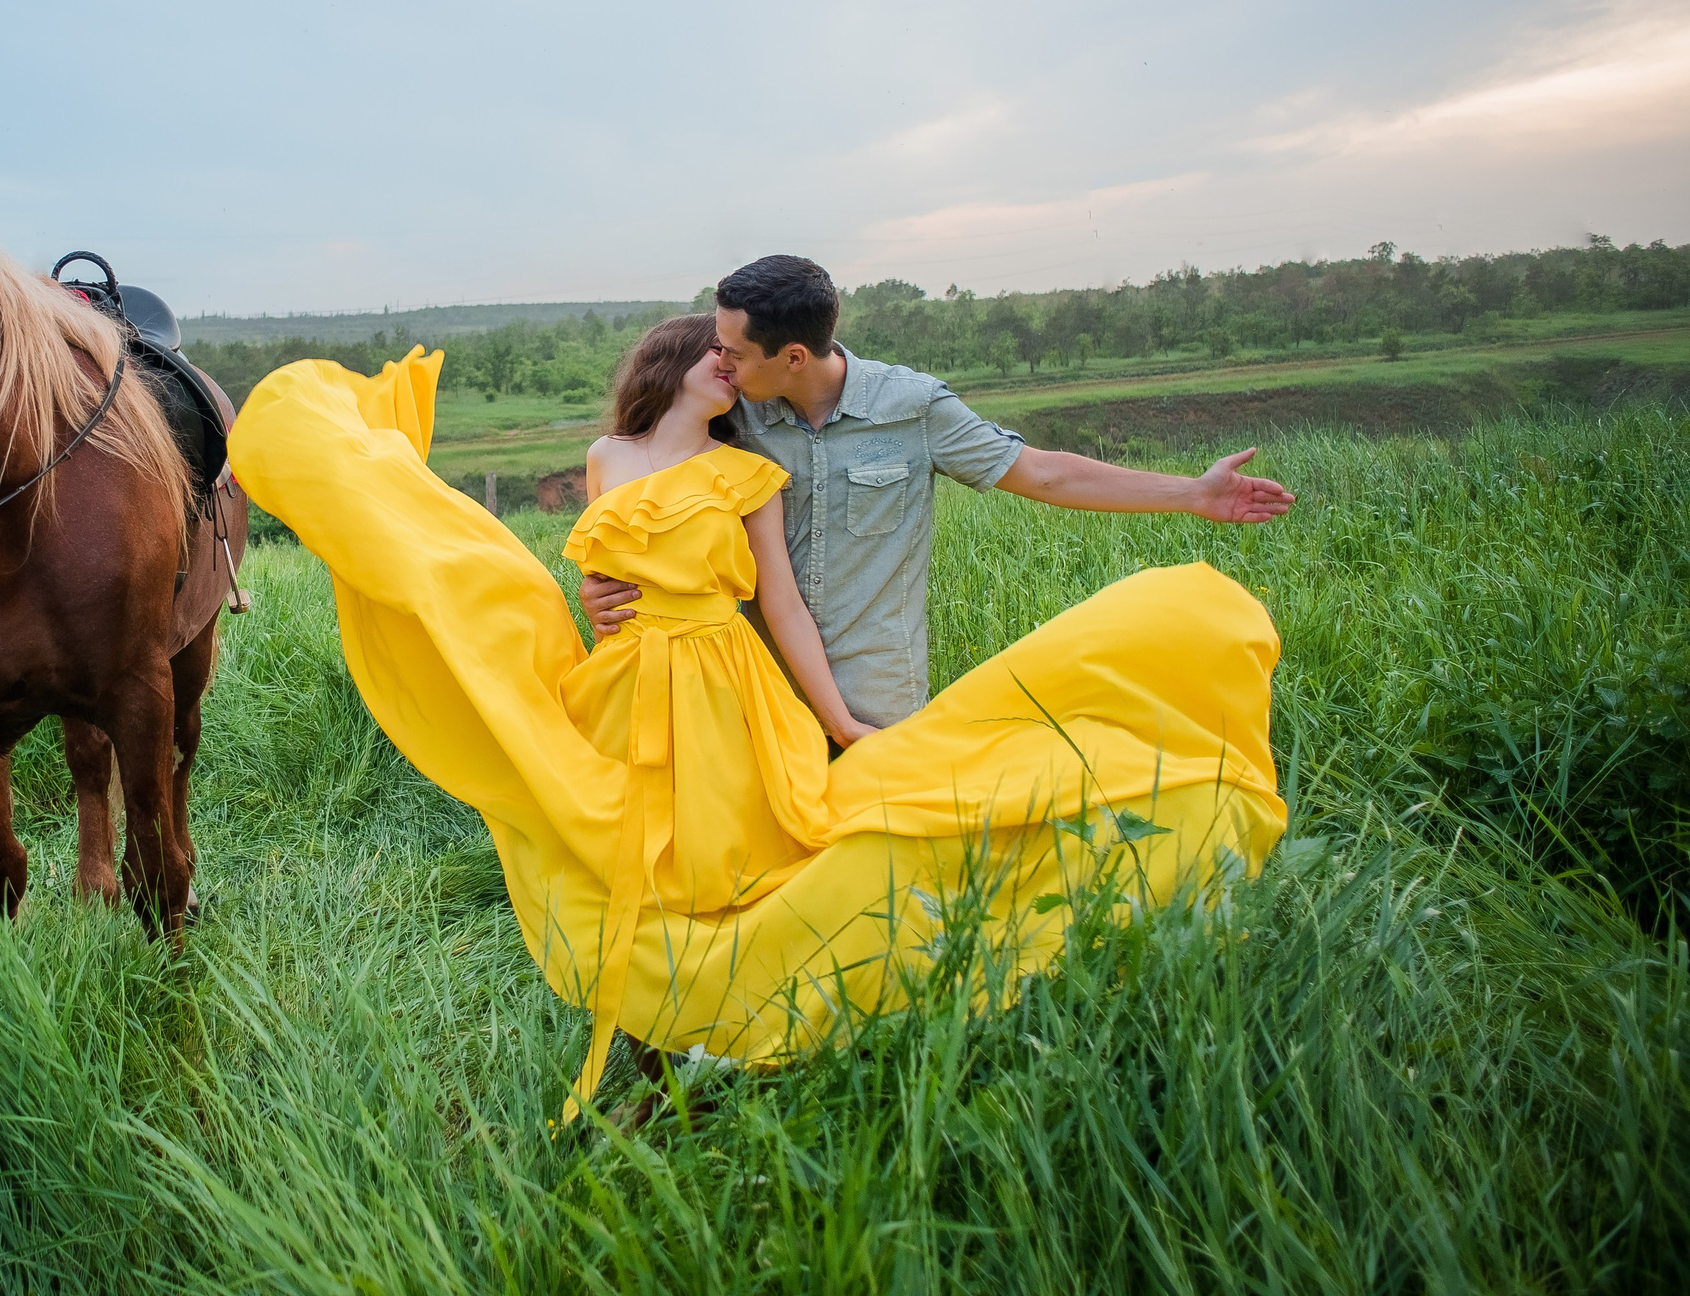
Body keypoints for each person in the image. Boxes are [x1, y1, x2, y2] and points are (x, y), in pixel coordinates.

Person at [226, 320, 1286, 1119]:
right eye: (712, 354)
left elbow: (776, 601)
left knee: (737, 866)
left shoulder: (748, 470)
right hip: (629, 681)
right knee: (620, 853)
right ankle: (657, 1036)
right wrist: (594, 613)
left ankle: (761, 1027)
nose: (727, 368)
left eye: (738, 357)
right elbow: (603, 582)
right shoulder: (603, 458)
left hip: (725, 682)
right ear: (672, 363)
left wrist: (839, 716)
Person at [583, 255, 1296, 733]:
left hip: (878, 690)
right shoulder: (731, 415)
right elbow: (649, 489)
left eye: (735, 352)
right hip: (751, 689)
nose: (725, 363)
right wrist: (604, 586)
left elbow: (1042, 472)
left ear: (792, 356)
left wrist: (1192, 493)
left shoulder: (913, 406)